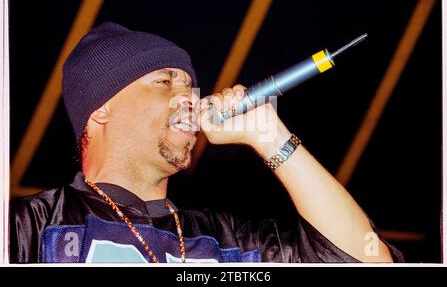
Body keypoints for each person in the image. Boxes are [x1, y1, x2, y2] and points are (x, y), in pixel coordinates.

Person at [9, 22, 404, 263]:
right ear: (101, 109)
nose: (191, 96)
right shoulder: (30, 227)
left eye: (190, 84)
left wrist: (268, 135)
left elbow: (366, 259)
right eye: (165, 81)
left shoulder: (225, 241)